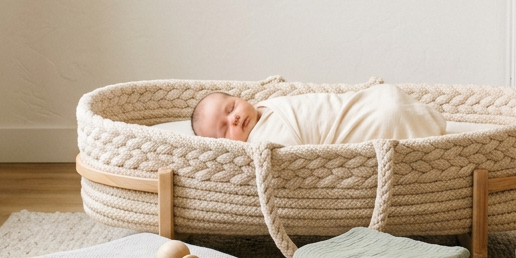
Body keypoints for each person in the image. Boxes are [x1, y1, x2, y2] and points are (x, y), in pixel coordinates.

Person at [190, 84, 447, 146]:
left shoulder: (268, 104)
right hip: (360, 126)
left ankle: (419, 117)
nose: (233, 119)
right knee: (388, 117)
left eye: (231, 107)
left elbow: (321, 106)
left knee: (386, 102)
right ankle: (420, 121)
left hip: (355, 105)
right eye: (225, 129)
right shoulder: (261, 142)